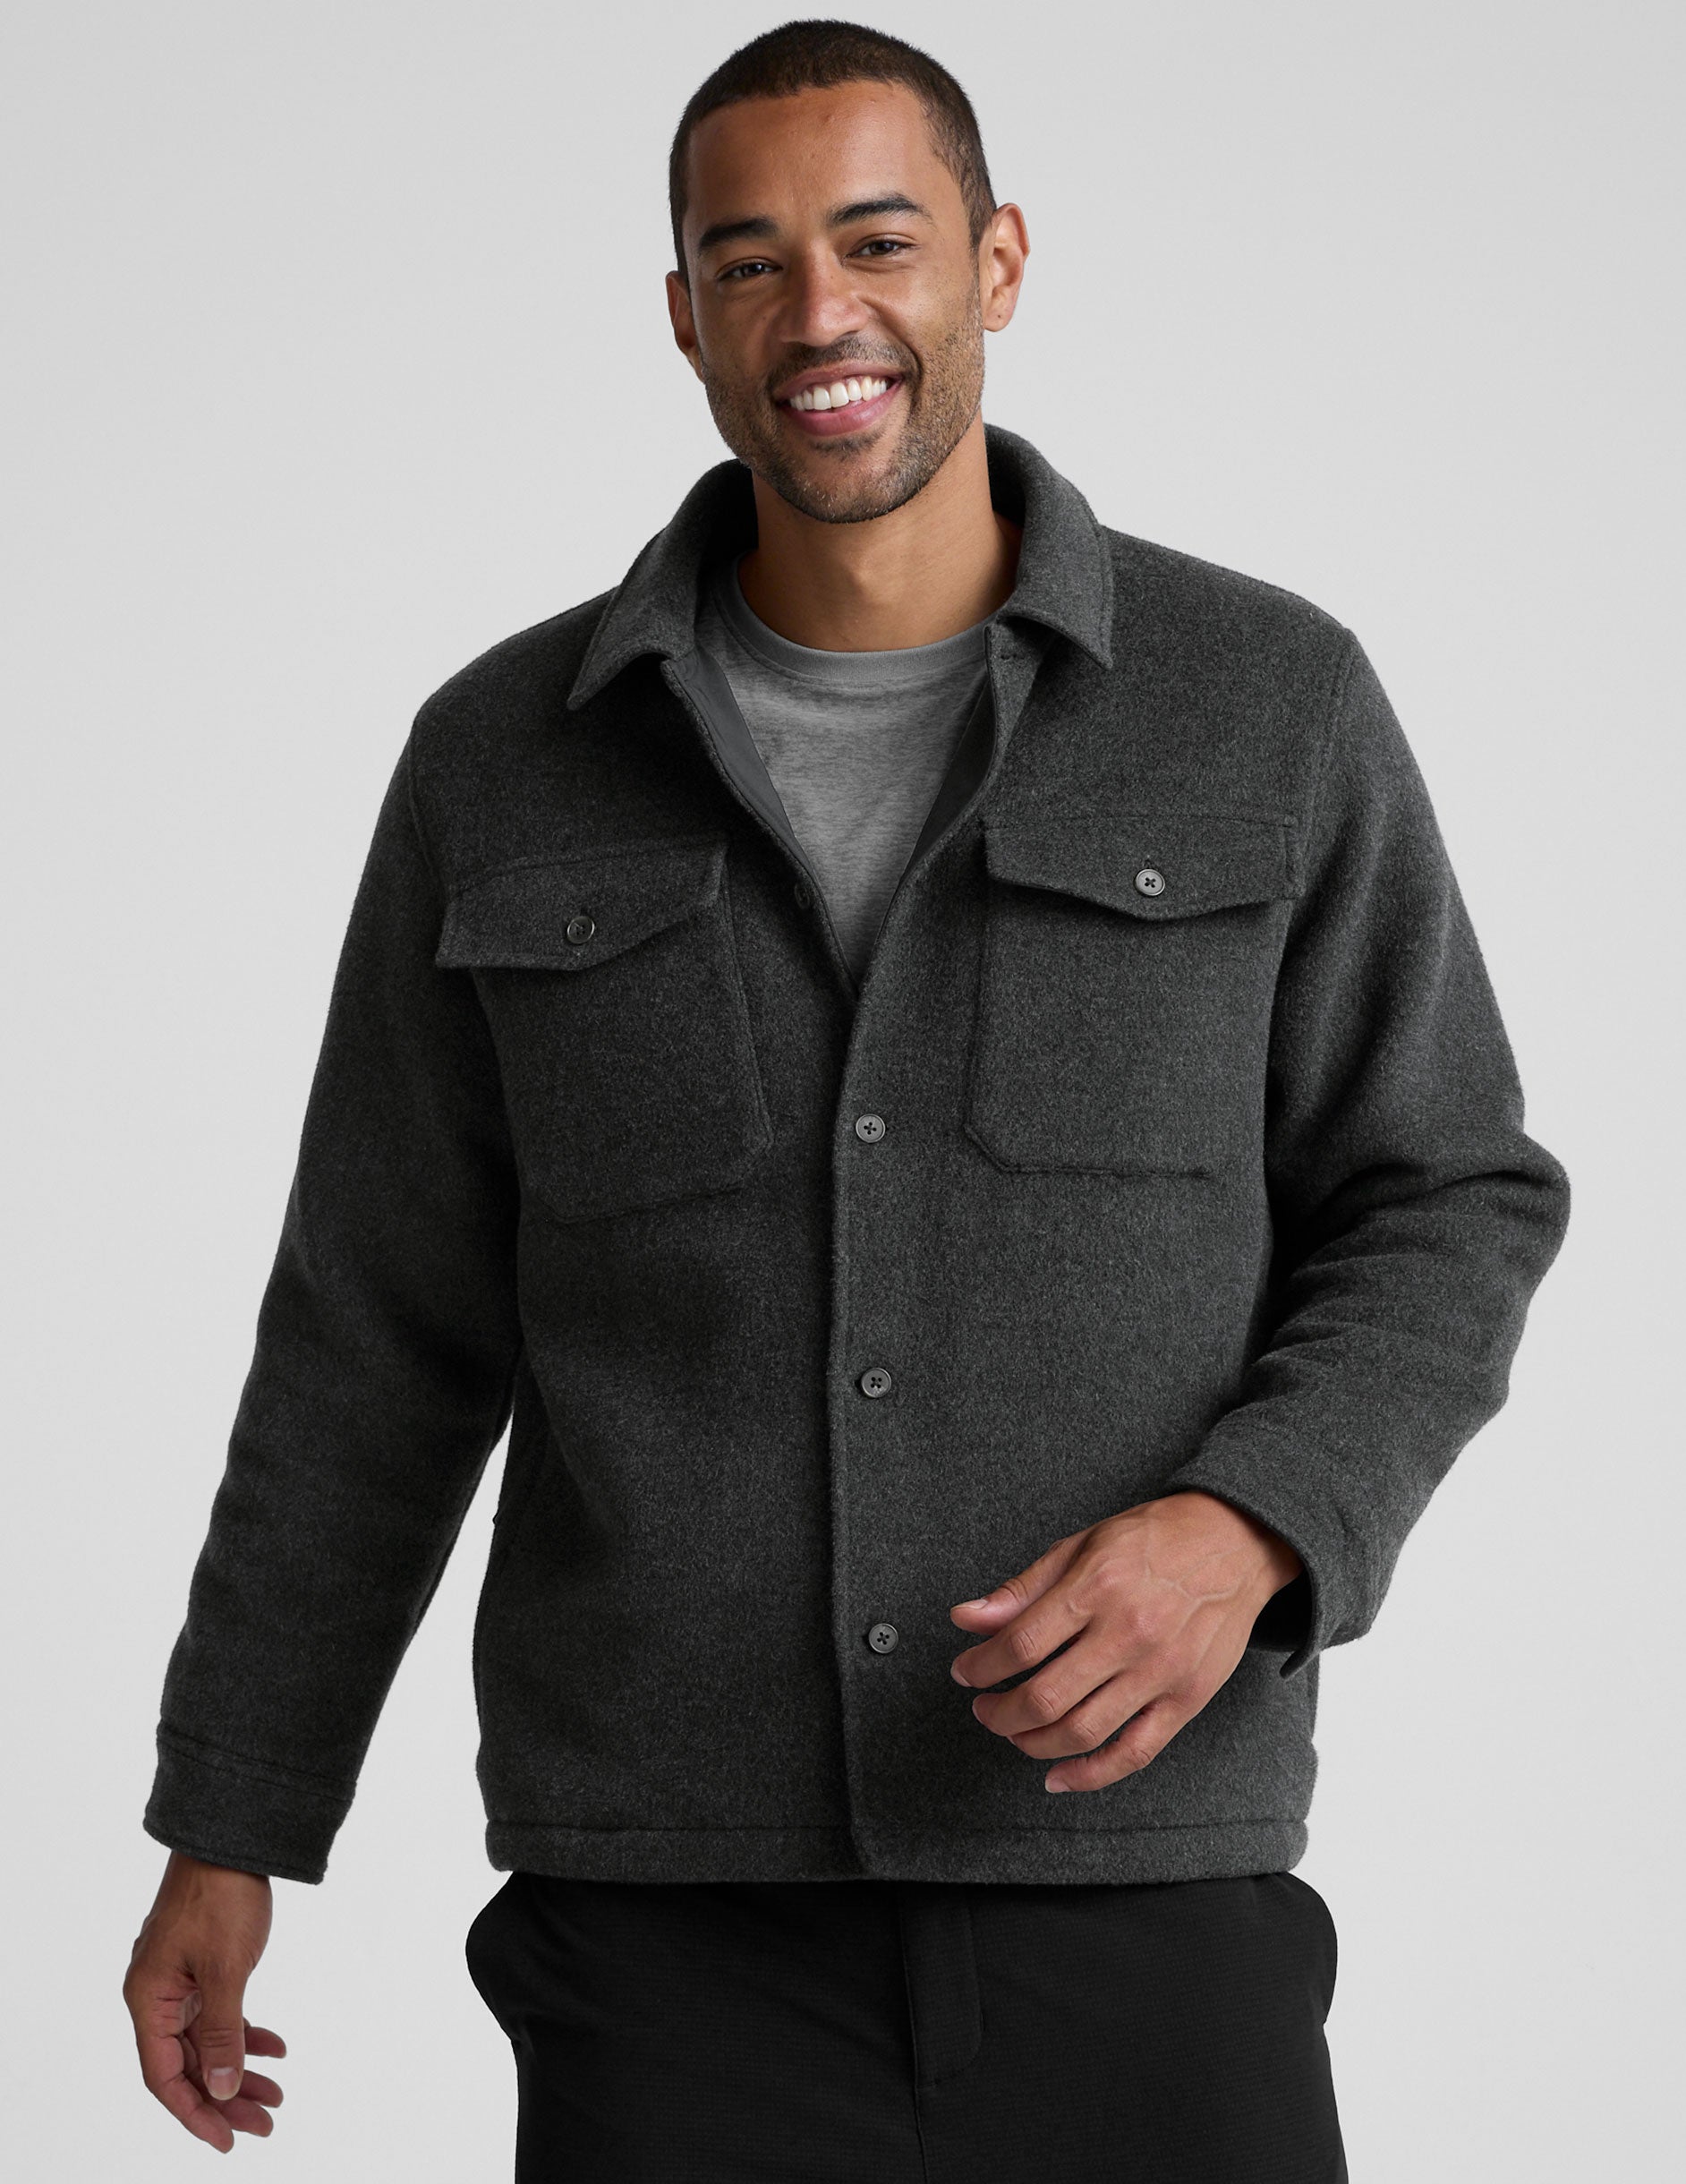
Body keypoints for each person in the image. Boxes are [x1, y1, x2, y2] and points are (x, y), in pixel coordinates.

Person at [123, 19, 1571, 2180]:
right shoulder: (501, 761)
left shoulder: (1268, 703)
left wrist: (1257, 1521)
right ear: (684, 313)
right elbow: (378, 1325)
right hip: (665, 1936)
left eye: (880, 242)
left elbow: (1447, 1186)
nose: (822, 313)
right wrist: (233, 1816)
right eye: (752, 260)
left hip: (1144, 1885)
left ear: (997, 262)